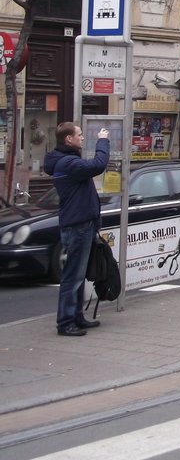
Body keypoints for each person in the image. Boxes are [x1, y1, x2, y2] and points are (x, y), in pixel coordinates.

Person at [44, 123, 110, 337]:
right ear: (68, 139)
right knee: (73, 275)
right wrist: (103, 141)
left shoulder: (66, 160)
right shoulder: (68, 163)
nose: (82, 138)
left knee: (78, 275)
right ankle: (65, 322)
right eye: (79, 135)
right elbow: (99, 165)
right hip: (78, 225)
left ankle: (77, 316)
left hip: (82, 222)